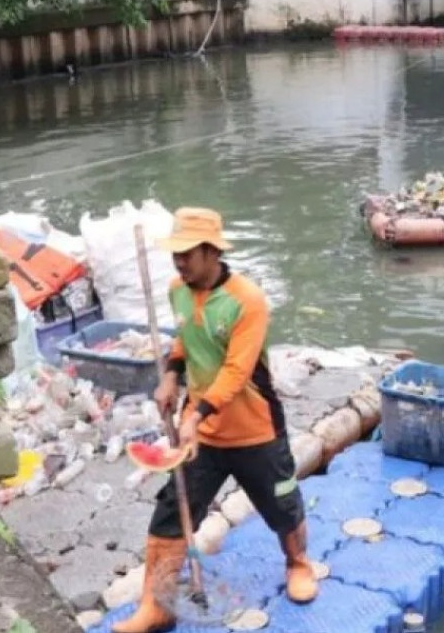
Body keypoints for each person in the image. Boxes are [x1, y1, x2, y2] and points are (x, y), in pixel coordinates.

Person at [114, 208, 316, 633]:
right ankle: (158, 604)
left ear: (212, 251)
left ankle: (298, 563)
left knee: (282, 505)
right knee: (172, 511)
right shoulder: (177, 290)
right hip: (200, 432)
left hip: (255, 429)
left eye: (187, 254)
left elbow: (237, 371)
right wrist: (171, 376)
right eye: (175, 254)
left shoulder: (248, 300)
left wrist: (199, 412)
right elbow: (185, 341)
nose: (179, 262)